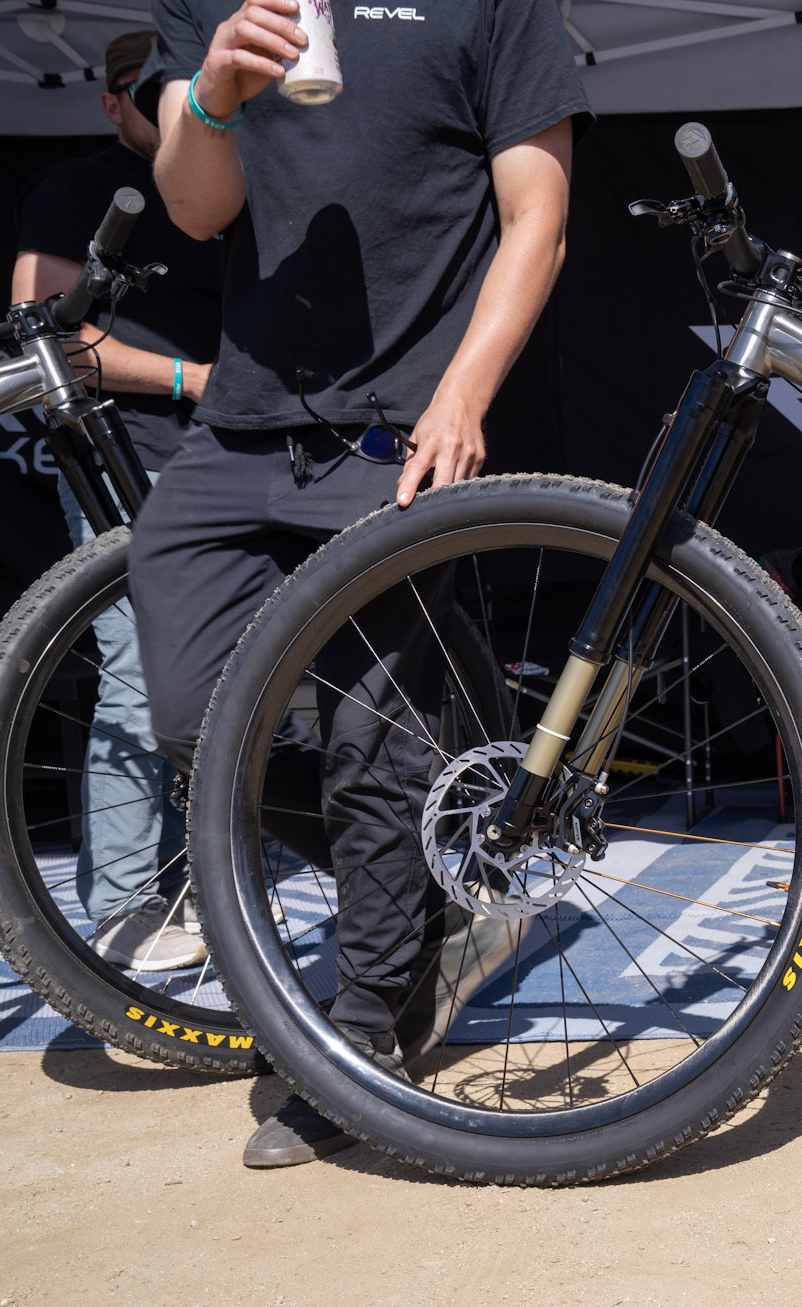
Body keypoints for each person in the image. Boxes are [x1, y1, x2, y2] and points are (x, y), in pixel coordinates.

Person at [135, 0, 587, 1168]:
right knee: (191, 724)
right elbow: (194, 208)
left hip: (396, 432)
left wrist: (463, 394)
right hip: (237, 428)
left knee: (370, 748)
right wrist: (213, 92)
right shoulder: (217, 7)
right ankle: (434, 888)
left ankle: (362, 1037)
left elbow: (536, 218)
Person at [11, 29, 224, 972]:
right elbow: (42, 334)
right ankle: (128, 909)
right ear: (112, 104)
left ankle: (201, 887)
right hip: (123, 458)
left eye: (180, 82)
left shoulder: (227, 181)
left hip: (229, 465)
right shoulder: (81, 187)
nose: (164, 99)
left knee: (223, 683)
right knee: (141, 675)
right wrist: (191, 379)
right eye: (146, 88)